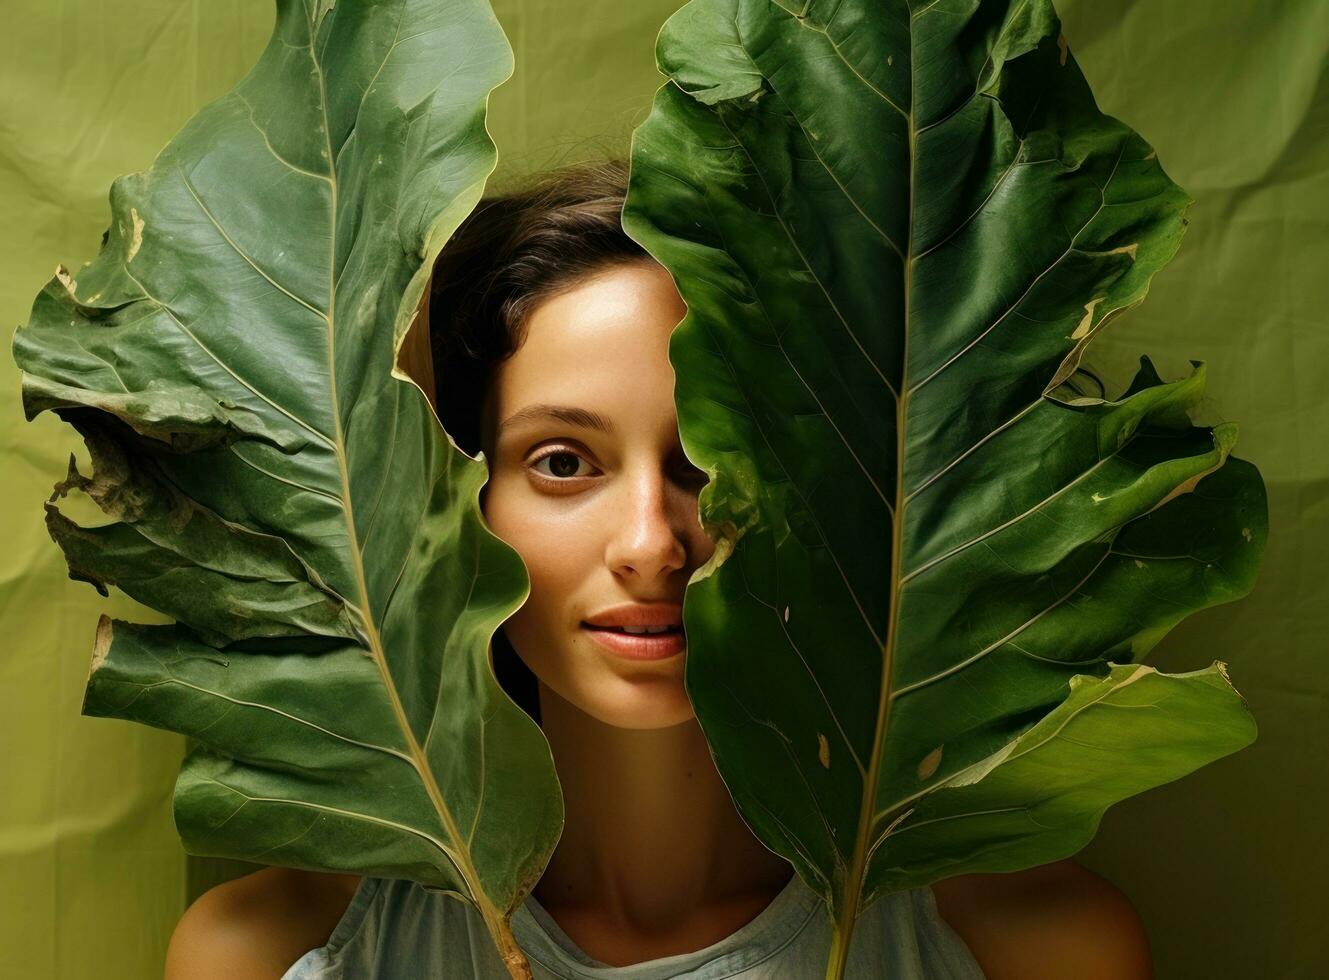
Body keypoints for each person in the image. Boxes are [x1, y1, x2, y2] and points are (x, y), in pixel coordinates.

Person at [165, 159, 1152, 979]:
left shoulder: (1033, 948)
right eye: (563, 462)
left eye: (714, 461)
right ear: (451, 503)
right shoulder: (275, 952)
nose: (651, 541)